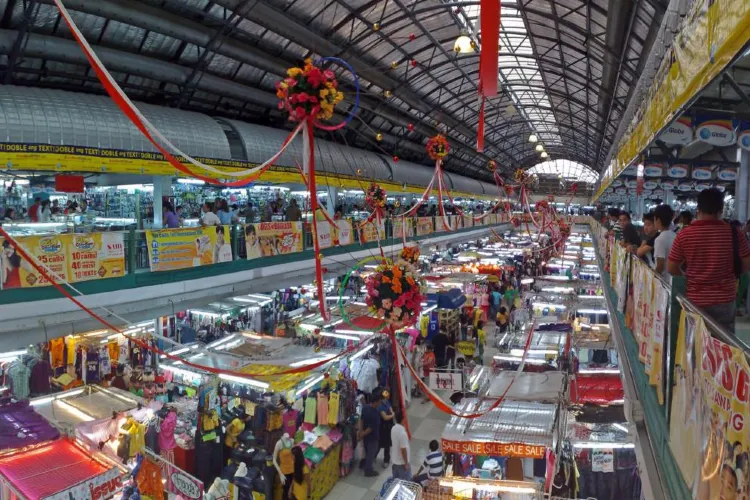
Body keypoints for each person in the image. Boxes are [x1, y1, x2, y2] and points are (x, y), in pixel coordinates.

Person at [668, 188, 750, 333]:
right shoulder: (735, 234)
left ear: (698, 208)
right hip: (725, 300)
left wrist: (687, 277)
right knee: (724, 345)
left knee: (695, 345)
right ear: (721, 209)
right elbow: (746, 264)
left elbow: (671, 267)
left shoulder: (685, 234)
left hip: (695, 300)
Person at [359, 392, 381, 477]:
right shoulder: (375, 414)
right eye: (379, 401)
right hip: (373, 437)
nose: (380, 403)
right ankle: (368, 470)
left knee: (367, 450)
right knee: (371, 453)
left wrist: (361, 432)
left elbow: (361, 419)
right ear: (375, 402)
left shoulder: (365, 407)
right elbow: (371, 428)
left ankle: (364, 464)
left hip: (366, 437)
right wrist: (363, 434)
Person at [653, 204, 676, 283]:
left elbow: (660, 266)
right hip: (673, 279)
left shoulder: (660, 239)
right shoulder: (675, 235)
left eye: (654, 220)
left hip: (664, 281)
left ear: (658, 220)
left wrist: (653, 279)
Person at [390, 410, 411, 480]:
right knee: (406, 485)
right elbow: (403, 450)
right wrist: (406, 463)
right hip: (401, 464)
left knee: (396, 483)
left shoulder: (393, 428)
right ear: (403, 419)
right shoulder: (402, 433)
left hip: (395, 461)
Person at [378, 391, 395, 469]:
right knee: (379, 444)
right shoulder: (380, 406)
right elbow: (385, 417)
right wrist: (392, 415)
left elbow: (390, 408)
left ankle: (386, 460)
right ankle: (372, 457)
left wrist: (391, 413)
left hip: (389, 426)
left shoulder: (387, 402)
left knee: (387, 445)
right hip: (383, 427)